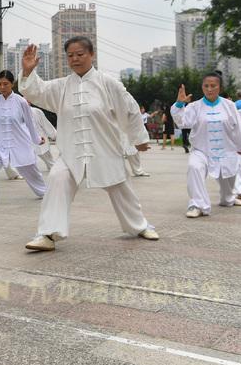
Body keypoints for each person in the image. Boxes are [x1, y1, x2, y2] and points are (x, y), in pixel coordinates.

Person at [18, 38, 158, 252]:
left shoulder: (108, 83)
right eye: (71, 55)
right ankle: (47, 234)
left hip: (105, 149)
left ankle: (139, 226)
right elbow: (37, 91)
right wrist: (28, 72)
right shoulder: (61, 86)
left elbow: (129, 109)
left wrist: (139, 139)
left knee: (122, 188)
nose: (75, 59)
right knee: (57, 178)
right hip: (71, 152)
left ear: (91, 54)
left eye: (80, 54)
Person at [171, 73, 241, 218]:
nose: (209, 89)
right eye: (206, 86)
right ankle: (197, 204)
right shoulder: (195, 106)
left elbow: (238, 127)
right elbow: (182, 122)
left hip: (226, 150)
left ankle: (229, 198)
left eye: (213, 86)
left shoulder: (229, 106)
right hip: (201, 150)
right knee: (194, 167)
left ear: (220, 87)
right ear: (202, 87)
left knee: (227, 194)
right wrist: (179, 104)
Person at [0, 70, 47, 207]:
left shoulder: (21, 102)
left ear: (12, 84)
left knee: (32, 172)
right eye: (0, 84)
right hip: (0, 147)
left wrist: (37, 139)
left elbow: (30, 123)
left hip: (21, 145)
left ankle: (45, 193)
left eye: (6, 84)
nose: (2, 87)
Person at [30, 104, 58, 171]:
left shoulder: (36, 111)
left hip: (39, 138)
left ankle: (52, 168)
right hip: (27, 140)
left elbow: (45, 124)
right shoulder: (16, 112)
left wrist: (54, 135)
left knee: (49, 160)